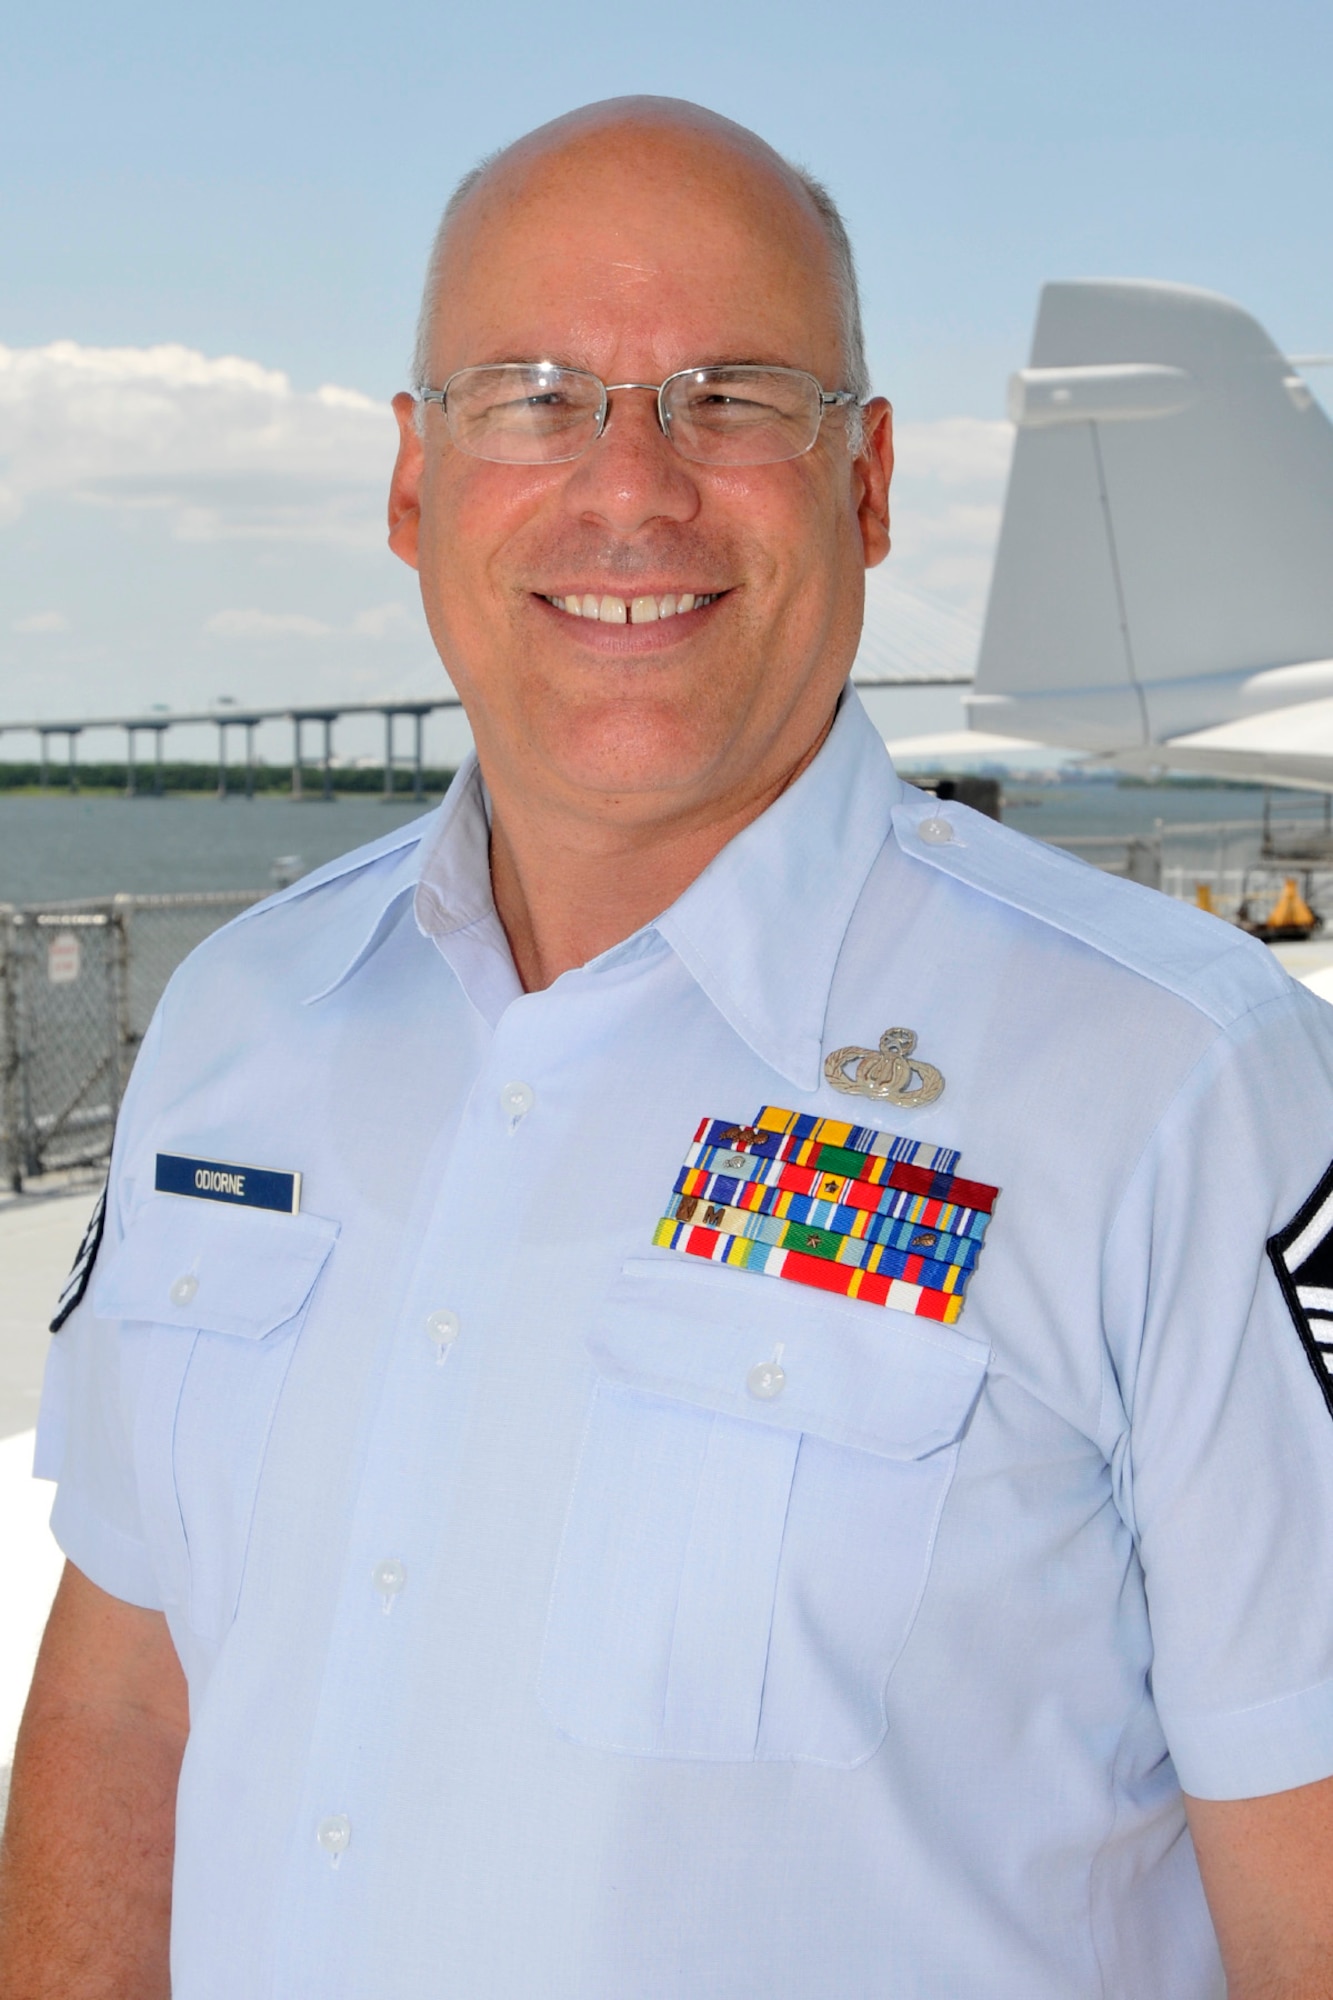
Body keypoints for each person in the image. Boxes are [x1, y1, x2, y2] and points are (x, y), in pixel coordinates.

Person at [3, 95, 1333, 2000]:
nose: (630, 489)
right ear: (410, 484)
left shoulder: (1180, 1090)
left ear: (867, 484)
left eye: (730, 398)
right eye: (535, 397)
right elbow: (127, 1708)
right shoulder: (244, 1027)